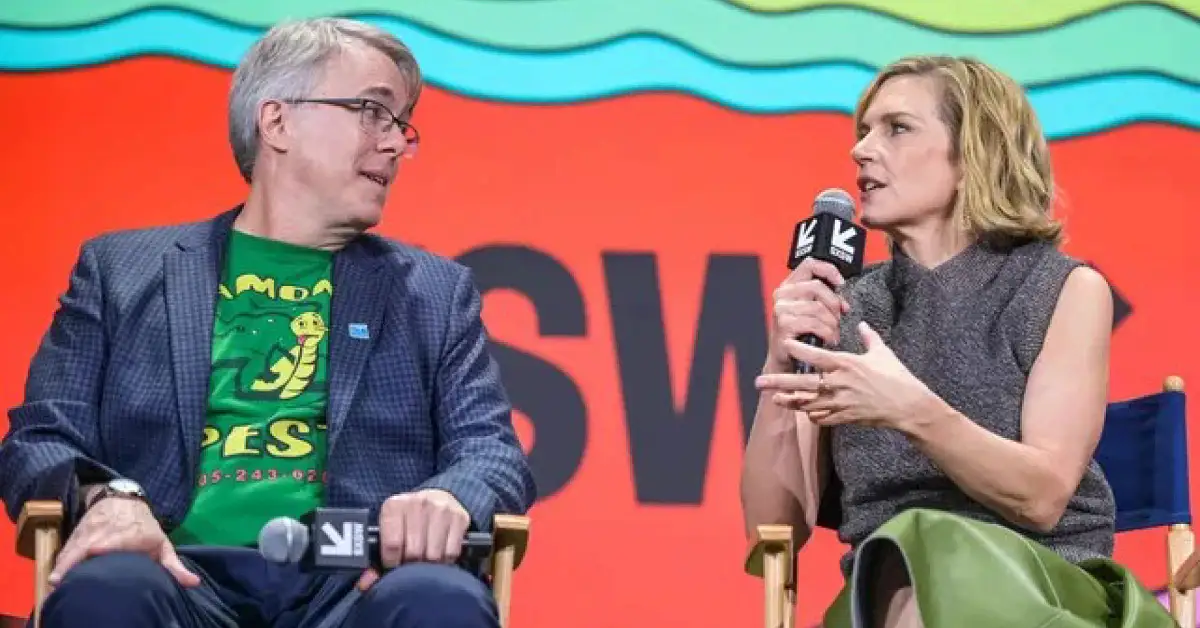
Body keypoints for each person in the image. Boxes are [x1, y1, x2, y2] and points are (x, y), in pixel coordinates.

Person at [0, 17, 535, 628]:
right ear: (277, 121)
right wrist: (110, 498)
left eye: (401, 126)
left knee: (441, 600)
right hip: (173, 569)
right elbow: (38, 440)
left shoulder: (434, 292)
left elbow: (493, 454)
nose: (394, 144)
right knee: (109, 589)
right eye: (372, 112)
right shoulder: (121, 271)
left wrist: (448, 499)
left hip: (357, 585)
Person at [740, 55, 1173, 627]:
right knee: (906, 551)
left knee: (927, 542)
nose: (861, 150)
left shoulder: (1061, 289)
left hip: (1045, 588)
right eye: (864, 131)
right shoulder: (844, 307)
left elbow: (1041, 498)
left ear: (974, 156)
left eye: (896, 128)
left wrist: (911, 411)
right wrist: (783, 362)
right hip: (885, 592)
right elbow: (775, 531)